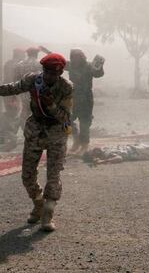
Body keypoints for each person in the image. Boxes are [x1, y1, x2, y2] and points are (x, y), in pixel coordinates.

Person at [0, 53, 72, 232]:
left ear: (61, 73)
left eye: (54, 74)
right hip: (35, 131)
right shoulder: (33, 80)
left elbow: (65, 117)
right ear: (43, 70)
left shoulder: (66, 87)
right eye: (47, 72)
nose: (50, 77)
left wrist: (51, 105)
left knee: (53, 175)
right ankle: (38, 204)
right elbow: (13, 88)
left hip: (56, 133)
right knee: (27, 175)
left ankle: (48, 213)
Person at [66, 49, 104, 154]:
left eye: (78, 57)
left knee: (84, 122)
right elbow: (58, 62)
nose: (75, 59)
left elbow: (98, 73)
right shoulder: (71, 66)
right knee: (67, 119)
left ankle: (84, 144)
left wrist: (99, 65)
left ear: (82, 57)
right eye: (73, 57)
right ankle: (76, 139)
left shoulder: (88, 66)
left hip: (86, 97)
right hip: (73, 96)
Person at [14, 47, 43, 130]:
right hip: (36, 92)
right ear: (36, 54)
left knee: (24, 111)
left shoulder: (20, 64)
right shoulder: (40, 64)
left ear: (28, 53)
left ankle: (25, 130)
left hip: (24, 92)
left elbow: (15, 79)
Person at [2, 48, 25, 138]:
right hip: (13, 92)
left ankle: (9, 133)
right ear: (18, 55)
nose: (24, 57)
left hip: (7, 91)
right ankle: (9, 133)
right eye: (22, 55)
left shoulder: (8, 63)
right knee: (14, 111)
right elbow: (12, 79)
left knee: (11, 111)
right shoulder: (18, 65)